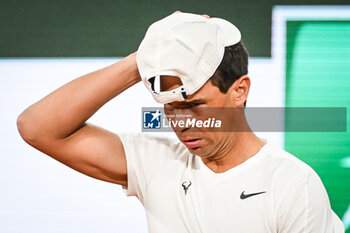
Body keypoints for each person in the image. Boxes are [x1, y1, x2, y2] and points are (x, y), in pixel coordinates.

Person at [17, 12, 344, 233]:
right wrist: (147, 57)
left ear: (239, 90)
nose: (181, 122)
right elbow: (37, 127)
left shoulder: (292, 185)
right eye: (170, 108)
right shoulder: (156, 163)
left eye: (195, 105)